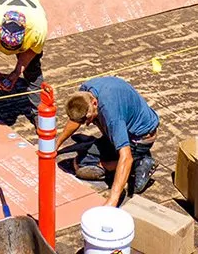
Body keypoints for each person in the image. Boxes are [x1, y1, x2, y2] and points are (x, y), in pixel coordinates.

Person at [56, 76, 159, 206]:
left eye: (87, 119)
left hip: (140, 138)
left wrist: (112, 201)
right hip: (126, 127)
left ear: (94, 103)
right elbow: (76, 118)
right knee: (84, 155)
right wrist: (56, 145)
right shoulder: (85, 92)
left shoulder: (112, 116)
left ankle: (139, 162)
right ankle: (128, 156)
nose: (87, 125)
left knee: (83, 167)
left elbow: (125, 157)